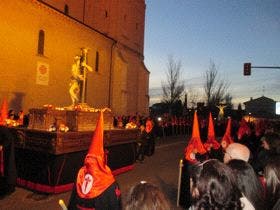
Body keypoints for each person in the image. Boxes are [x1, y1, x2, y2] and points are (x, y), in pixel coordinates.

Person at [68, 109, 121, 210]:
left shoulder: (81, 175)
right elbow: (115, 206)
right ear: (102, 159)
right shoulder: (108, 181)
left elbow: (73, 202)